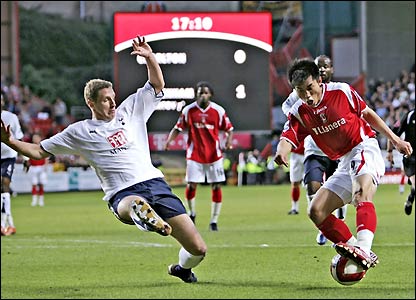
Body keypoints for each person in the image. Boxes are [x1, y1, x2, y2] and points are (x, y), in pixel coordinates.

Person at [1, 35, 207, 283]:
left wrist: (150, 58)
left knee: (198, 249)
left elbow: (157, 85)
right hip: (122, 192)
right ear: (91, 103)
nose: (112, 103)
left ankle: (182, 269)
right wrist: (9, 142)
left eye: (113, 97)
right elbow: (38, 151)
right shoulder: (80, 131)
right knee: (132, 204)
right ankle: (143, 215)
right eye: (106, 99)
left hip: (155, 183)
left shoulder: (131, 109)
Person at [274, 58, 412, 272]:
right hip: (344, 161)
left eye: (310, 88)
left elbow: (367, 114)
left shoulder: (342, 92)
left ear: (319, 80)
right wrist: (281, 152)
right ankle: (356, 249)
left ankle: (364, 249)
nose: (307, 96)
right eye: (300, 91)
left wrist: (395, 140)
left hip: (364, 147)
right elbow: (288, 137)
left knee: (360, 195)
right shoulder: (299, 111)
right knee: (316, 211)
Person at [282, 55, 347, 245]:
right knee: (313, 186)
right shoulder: (302, 91)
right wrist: (300, 119)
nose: (323, 70)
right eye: (320, 67)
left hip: (337, 149)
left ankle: (338, 228)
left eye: (326, 67)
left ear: (332, 70)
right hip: (314, 150)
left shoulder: (337, 91)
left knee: (339, 191)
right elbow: (287, 107)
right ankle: (323, 227)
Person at [164, 81, 234, 232]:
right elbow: (178, 128)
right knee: (191, 185)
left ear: (211, 95)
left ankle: (214, 221)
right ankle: (192, 213)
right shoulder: (188, 111)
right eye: (200, 92)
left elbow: (229, 128)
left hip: (214, 155)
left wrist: (228, 140)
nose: (202, 95)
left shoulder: (218, 111)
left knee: (216, 186)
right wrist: (169, 141)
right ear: (196, 94)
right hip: (195, 155)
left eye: (205, 93)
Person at [1, 94, 24, 236]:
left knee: (4, 183)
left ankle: (3, 224)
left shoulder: (11, 117)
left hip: (9, 155)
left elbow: (20, 137)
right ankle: (10, 223)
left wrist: (26, 158)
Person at [387, 109, 415, 215]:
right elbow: (392, 133)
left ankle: (410, 198)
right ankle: (410, 198)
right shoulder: (408, 116)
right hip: (410, 157)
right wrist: (390, 152)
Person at [24, 133, 48, 207]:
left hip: (41, 167)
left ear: (40, 138)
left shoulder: (43, 146)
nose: (35, 139)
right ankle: (34, 200)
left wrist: (45, 166)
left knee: (41, 184)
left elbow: (46, 157)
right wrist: (27, 165)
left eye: (36, 138)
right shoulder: (30, 146)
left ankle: (41, 200)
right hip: (33, 167)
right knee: (34, 184)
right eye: (34, 138)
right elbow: (28, 158)